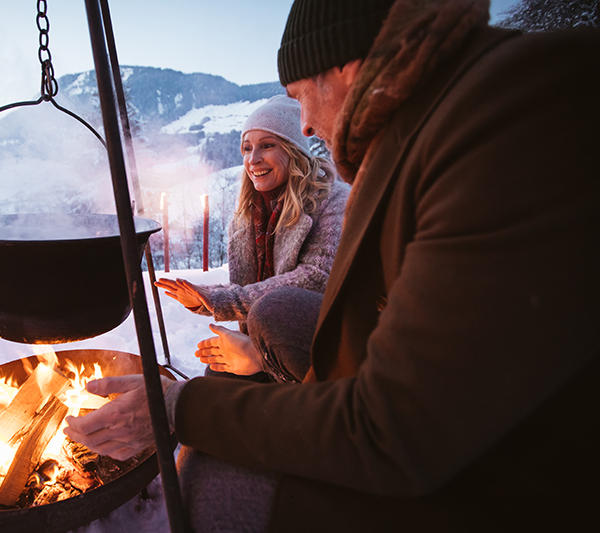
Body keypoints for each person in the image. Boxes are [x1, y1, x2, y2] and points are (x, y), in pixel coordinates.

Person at [65, 0, 600, 530]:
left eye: (301, 97)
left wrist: (190, 407)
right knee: (255, 343)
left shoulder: (506, 124)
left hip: (508, 478)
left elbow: (392, 422)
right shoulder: (417, 135)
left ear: (345, 65)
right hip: (447, 414)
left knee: (213, 481)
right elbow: (369, 324)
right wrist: (253, 360)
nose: (308, 124)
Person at [155, 95, 350, 382]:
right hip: (268, 338)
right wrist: (204, 298)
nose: (253, 159)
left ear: (294, 150)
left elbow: (314, 278)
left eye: (267, 145)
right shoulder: (250, 213)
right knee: (216, 378)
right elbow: (250, 288)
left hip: (327, 343)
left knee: (270, 313)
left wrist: (222, 299)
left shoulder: (334, 199)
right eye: (246, 148)